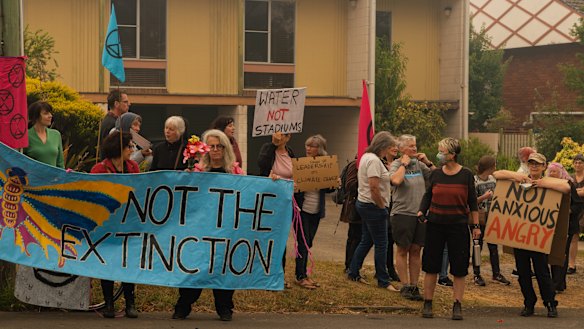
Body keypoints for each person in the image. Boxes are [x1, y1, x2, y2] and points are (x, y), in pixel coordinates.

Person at [15, 101, 91, 311]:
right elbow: (22, 164)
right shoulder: (26, 136)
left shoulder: (56, 135)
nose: (50, 116)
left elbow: (59, 164)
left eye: (50, 113)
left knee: (53, 238)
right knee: (34, 238)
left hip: (54, 194)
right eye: (46, 113)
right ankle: (33, 295)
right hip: (33, 195)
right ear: (36, 115)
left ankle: (53, 295)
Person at [173, 129, 242, 322]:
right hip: (200, 230)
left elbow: (248, 192)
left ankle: (224, 307)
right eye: (211, 146)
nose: (215, 150)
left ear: (225, 148)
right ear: (205, 148)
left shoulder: (235, 172)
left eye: (219, 146)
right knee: (195, 268)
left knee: (223, 268)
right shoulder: (198, 171)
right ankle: (183, 305)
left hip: (225, 230)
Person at [493, 153, 567, 318]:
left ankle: (550, 303)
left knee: (542, 272)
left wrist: (541, 183)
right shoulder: (520, 179)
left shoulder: (549, 182)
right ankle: (529, 302)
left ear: (544, 167)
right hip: (519, 236)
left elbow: (567, 187)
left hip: (538, 237)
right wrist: (520, 177)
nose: (534, 166)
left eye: (537, 164)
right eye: (531, 163)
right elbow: (497, 174)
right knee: (523, 273)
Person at [418, 137, 480, 320]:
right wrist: (421, 211)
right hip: (435, 225)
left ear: (452, 155)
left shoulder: (466, 175)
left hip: (458, 226)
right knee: (431, 266)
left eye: (442, 152)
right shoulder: (435, 174)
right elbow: (427, 195)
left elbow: (473, 202)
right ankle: (428, 302)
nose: (439, 155)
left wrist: (476, 226)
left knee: (459, 267)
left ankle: (457, 304)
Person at [90, 132, 140, 318]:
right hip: (107, 225)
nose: (132, 150)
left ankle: (130, 302)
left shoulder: (133, 167)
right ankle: (109, 303)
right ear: (119, 148)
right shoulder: (99, 169)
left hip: (128, 224)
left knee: (129, 263)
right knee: (107, 263)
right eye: (129, 146)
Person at [347, 131, 398, 291]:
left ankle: (353, 271)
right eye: (390, 146)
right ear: (383, 146)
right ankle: (383, 280)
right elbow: (374, 187)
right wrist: (382, 207)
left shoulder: (366, 157)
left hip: (365, 204)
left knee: (366, 240)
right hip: (373, 206)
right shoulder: (374, 161)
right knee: (381, 243)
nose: (391, 149)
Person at [389, 134, 434, 300]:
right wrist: (403, 164)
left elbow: (437, 178)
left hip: (420, 213)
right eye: (410, 146)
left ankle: (415, 286)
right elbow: (396, 180)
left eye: (415, 146)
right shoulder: (395, 164)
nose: (415, 149)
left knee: (416, 250)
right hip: (402, 213)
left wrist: (428, 162)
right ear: (401, 149)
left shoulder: (419, 165)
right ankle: (405, 285)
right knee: (402, 249)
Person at [293, 135, 334, 289]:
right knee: (302, 243)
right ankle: (300, 276)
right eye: (307, 145)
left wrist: (334, 183)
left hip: (316, 210)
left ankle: (304, 274)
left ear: (320, 149)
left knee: (308, 243)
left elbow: (328, 189)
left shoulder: (325, 165)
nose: (308, 149)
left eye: (312, 146)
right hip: (301, 210)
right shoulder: (301, 165)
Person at [257, 131, 295, 284]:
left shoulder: (290, 153)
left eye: (283, 134)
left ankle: (279, 274)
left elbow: (296, 173)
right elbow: (262, 164)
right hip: (270, 201)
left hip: (285, 202)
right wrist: (273, 144)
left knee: (281, 238)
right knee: (268, 238)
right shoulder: (268, 149)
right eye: (275, 132)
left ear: (288, 137)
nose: (279, 136)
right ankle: (264, 273)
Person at [472, 155, 510, 286]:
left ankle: (496, 273)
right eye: (494, 165)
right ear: (489, 167)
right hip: (479, 217)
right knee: (478, 245)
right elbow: (471, 201)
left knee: (493, 246)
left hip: (492, 216)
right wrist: (484, 197)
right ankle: (476, 274)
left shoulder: (493, 179)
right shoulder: (474, 181)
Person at [547, 162, 583, 293]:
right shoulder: (548, 185)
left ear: (561, 173)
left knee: (562, 254)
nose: (552, 174)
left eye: (554, 171)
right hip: (552, 226)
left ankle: (557, 284)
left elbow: (578, 205)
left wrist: (567, 211)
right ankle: (558, 283)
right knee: (553, 254)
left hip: (567, 226)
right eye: (550, 171)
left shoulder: (569, 185)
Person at [568, 153, 584, 274]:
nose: (578, 164)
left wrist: (574, 191)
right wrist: (578, 191)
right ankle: (571, 265)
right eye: (576, 162)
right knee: (574, 236)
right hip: (575, 210)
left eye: (580, 162)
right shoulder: (570, 177)